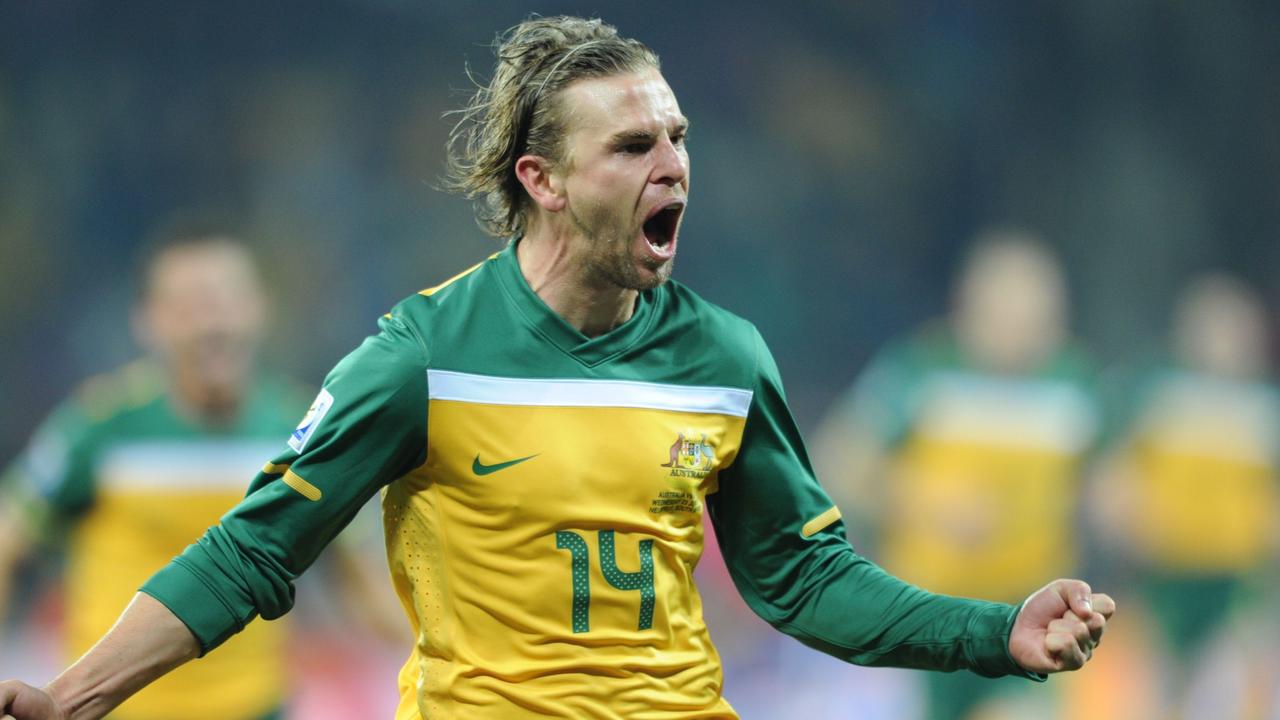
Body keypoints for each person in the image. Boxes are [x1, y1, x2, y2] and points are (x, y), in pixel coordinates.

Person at [0, 17, 1113, 720]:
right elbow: (253, 550)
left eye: (676, 138)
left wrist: (992, 632)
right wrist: (75, 697)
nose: (671, 164)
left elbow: (803, 579)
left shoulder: (724, 356)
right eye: (632, 147)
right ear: (540, 178)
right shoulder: (423, 355)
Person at [0, 220, 311, 720]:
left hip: (255, 710)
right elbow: (8, 539)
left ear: (260, 308)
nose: (213, 323)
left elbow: (363, 580)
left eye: (227, 300)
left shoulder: (299, 430)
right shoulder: (98, 427)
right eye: (190, 306)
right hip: (116, 711)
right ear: (149, 321)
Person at [810, 232, 1104, 719]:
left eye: (1037, 318)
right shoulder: (920, 373)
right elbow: (836, 463)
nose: (1022, 332)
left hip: (1026, 617)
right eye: (1007, 314)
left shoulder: (1073, 384)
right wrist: (926, 504)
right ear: (969, 307)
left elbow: (1104, 480)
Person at [1090, 273, 1280, 714]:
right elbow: (1110, 476)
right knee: (1145, 695)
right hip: (1160, 579)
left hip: (1236, 586)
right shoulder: (1152, 388)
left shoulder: (1266, 405)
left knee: (1223, 695)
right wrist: (1123, 519)